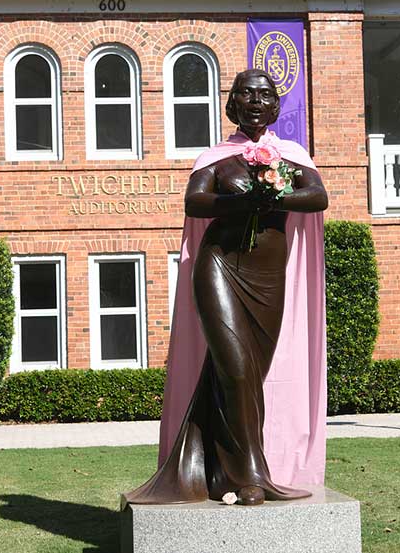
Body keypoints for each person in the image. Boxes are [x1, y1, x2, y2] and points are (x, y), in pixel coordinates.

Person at [124, 69, 328, 507]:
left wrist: (271, 197)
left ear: (276, 106)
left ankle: (217, 474)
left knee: (248, 378)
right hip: (218, 267)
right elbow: (194, 202)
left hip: (268, 278)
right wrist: (241, 202)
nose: (256, 100)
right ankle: (253, 476)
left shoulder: (290, 156)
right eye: (246, 93)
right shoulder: (216, 158)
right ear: (232, 102)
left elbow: (317, 197)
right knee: (235, 369)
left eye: (265, 94)